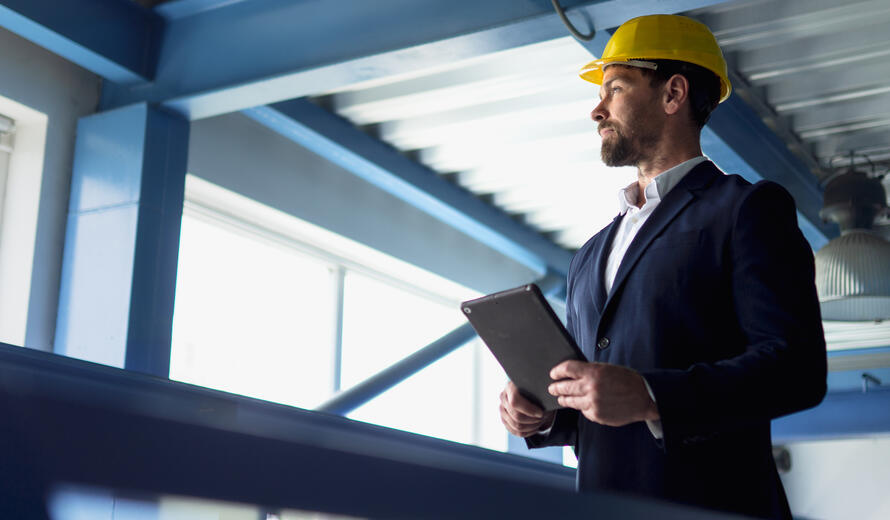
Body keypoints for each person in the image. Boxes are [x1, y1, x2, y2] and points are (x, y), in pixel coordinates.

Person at [499, 14, 826, 520]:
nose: (596, 109)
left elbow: (796, 370)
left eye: (615, 88)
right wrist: (541, 413)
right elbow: (592, 403)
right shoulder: (590, 254)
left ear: (673, 94)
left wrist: (653, 395)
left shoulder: (746, 209)